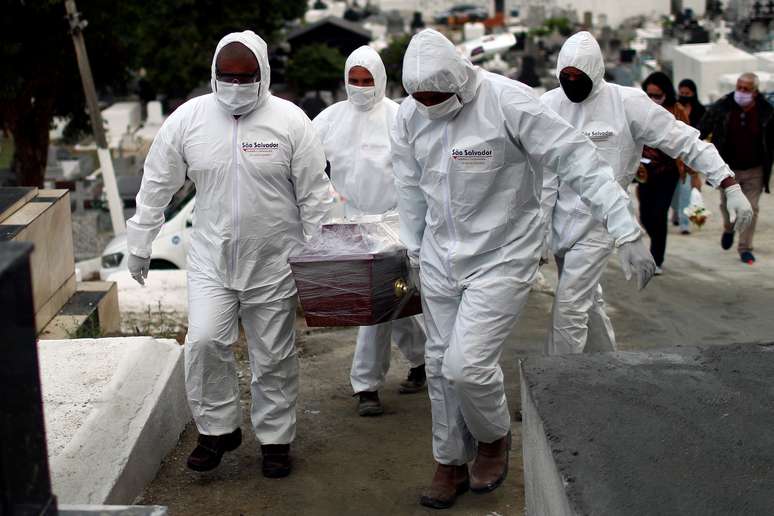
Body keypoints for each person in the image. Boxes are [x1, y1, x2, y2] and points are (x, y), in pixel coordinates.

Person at [391, 28, 656, 509]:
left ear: (459, 82)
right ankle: (449, 460)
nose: (428, 107)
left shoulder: (508, 101)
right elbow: (410, 187)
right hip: (439, 255)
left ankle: (493, 437)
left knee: (467, 366)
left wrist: (626, 229)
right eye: (420, 99)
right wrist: (412, 252)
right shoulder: (410, 115)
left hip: (503, 253)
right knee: (439, 365)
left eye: (436, 99)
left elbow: (578, 160)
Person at [126, 31, 334, 478]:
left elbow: (315, 195)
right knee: (203, 343)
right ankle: (217, 430)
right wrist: (141, 241)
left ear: (263, 74)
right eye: (228, 76)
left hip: (274, 262)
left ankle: (276, 440)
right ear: (214, 74)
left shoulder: (290, 122)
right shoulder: (189, 120)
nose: (236, 85)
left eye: (246, 77)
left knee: (273, 356)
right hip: (211, 260)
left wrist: (322, 257)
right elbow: (157, 181)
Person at [541, 32, 753, 356]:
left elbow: (684, 141)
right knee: (587, 302)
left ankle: (559, 381)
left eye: (577, 76)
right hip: (558, 222)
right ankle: (607, 364)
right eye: (565, 76)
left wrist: (728, 183)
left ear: (595, 71)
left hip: (601, 224)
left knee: (569, 308)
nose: (571, 82)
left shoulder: (627, 103)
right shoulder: (547, 105)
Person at [312, 46, 427, 417]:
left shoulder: (399, 117)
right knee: (390, 301)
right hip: (351, 222)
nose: (360, 88)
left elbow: (418, 171)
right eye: (354, 80)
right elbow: (308, 167)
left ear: (381, 80)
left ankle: (369, 384)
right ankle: (417, 362)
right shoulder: (329, 119)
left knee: (380, 304)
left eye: (367, 81)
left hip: (395, 221)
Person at [700, 72, 773, 264]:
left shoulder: (766, 111)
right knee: (727, 205)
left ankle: (745, 248)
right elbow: (702, 129)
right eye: (739, 87)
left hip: (755, 169)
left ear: (755, 92)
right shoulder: (722, 107)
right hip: (727, 170)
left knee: (751, 208)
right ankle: (729, 227)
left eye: (746, 89)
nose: (741, 92)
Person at [636, 72, 696, 272]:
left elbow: (688, 140)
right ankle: (655, 241)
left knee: (659, 213)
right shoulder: (639, 109)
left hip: (668, 171)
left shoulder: (677, 110)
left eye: (657, 95)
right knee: (645, 215)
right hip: (644, 171)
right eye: (649, 94)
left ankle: (656, 258)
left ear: (666, 94)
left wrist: (692, 173)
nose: (653, 99)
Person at [671, 79, 707, 233]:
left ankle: (685, 223)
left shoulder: (700, 110)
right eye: (682, 93)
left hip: (691, 155)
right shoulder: (673, 108)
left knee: (687, 188)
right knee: (674, 191)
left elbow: (704, 132)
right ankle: (676, 211)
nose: (684, 95)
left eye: (688, 93)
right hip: (673, 154)